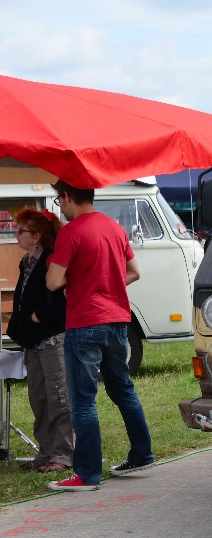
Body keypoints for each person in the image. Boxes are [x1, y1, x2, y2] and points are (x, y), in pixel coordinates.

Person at [45, 180, 155, 491]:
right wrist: (106, 286)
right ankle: (142, 453)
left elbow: (53, 282)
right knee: (123, 390)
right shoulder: (114, 228)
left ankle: (88, 474)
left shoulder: (71, 231)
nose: (59, 207)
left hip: (85, 322)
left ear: (68, 197)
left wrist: (81, 285)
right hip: (118, 320)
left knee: (83, 400)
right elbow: (134, 271)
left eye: (59, 200)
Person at [5, 208, 73, 473]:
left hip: (52, 339)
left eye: (20, 230)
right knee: (39, 398)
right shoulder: (27, 260)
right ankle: (45, 451)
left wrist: (39, 316)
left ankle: (63, 453)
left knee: (58, 398)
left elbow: (60, 296)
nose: (16, 235)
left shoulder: (51, 259)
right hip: (32, 341)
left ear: (36, 236)